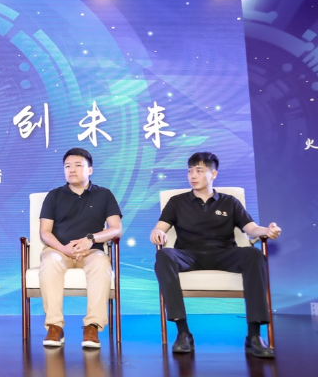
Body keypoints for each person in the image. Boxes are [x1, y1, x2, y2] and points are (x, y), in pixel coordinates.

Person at [150, 151, 281, 358]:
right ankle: (183, 332)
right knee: (164, 256)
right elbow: (160, 227)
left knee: (254, 255)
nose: (193, 175)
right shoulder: (177, 202)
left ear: (213, 174)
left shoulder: (229, 202)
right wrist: (157, 232)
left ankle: (254, 335)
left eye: (199, 170)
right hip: (189, 254)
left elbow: (251, 229)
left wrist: (267, 231)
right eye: (190, 171)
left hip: (224, 253)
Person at [38, 147, 122, 349]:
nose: (72, 170)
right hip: (59, 250)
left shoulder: (104, 194)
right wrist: (63, 248)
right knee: (50, 261)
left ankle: (92, 326)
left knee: (101, 264)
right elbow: (44, 232)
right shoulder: (54, 195)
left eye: (78, 165)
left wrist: (90, 239)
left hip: (91, 251)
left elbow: (116, 229)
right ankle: (55, 326)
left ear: (90, 170)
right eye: (67, 166)